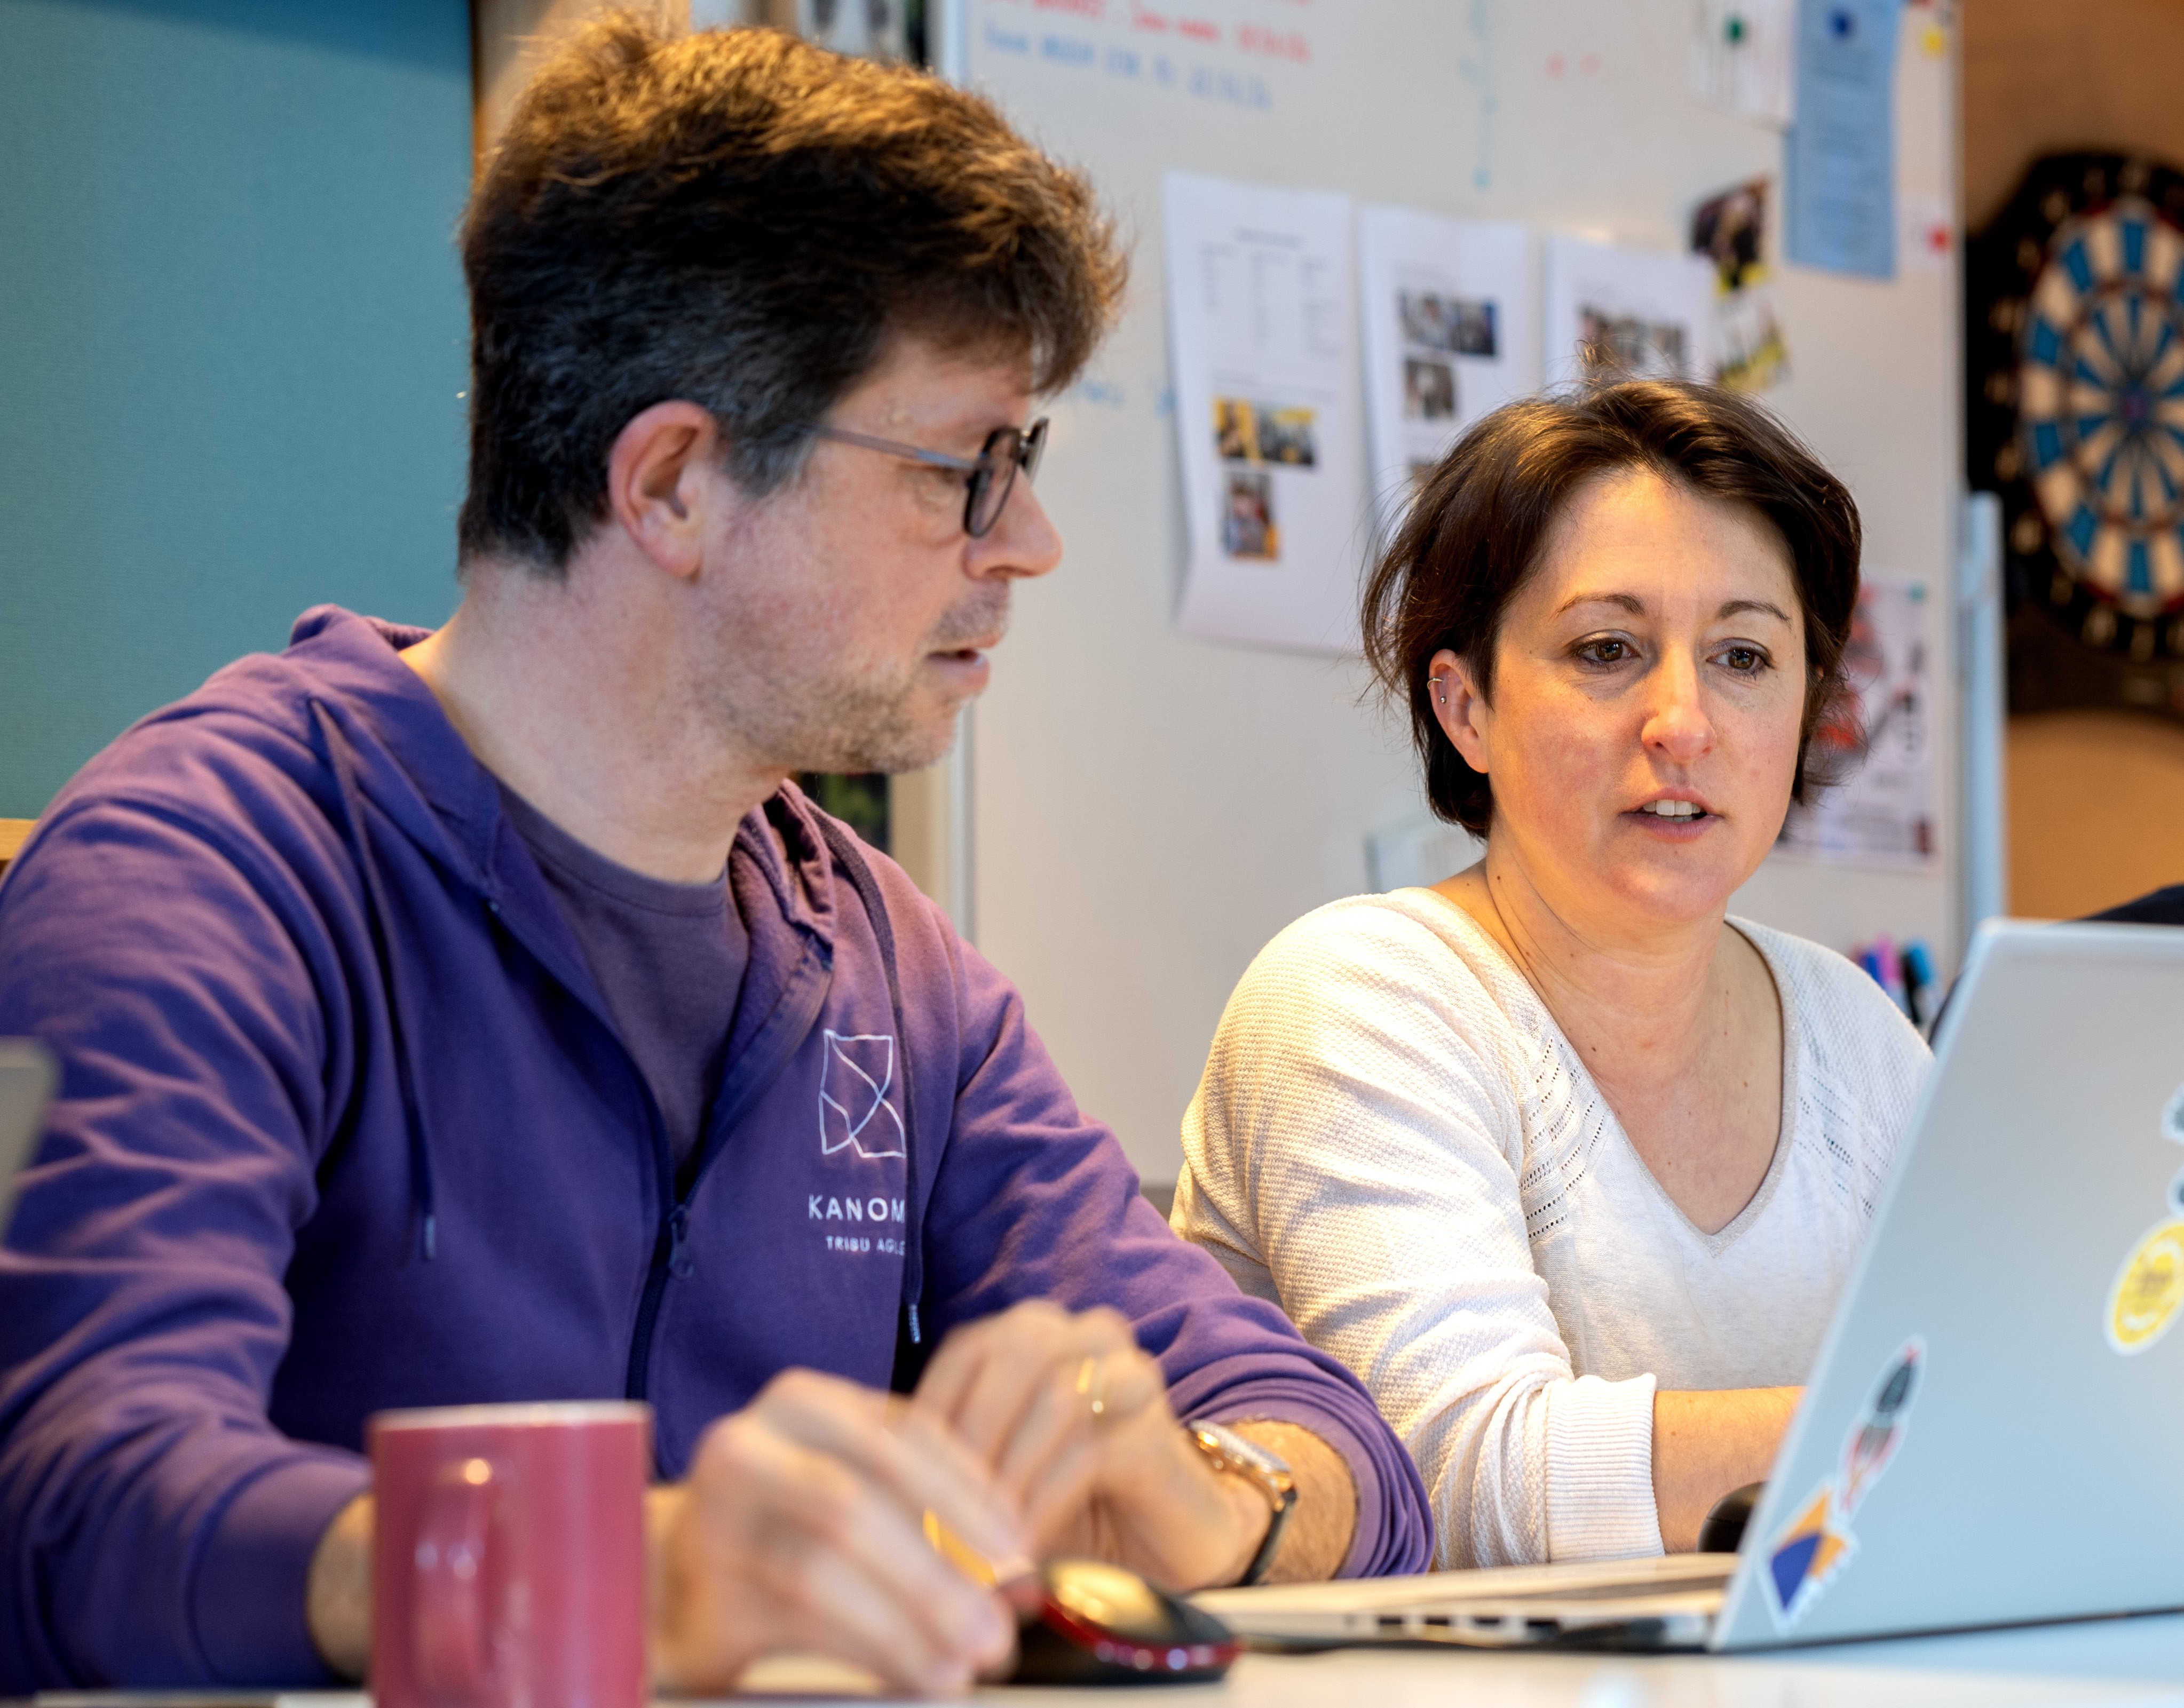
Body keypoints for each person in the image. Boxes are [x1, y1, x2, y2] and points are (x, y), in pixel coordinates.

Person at [0, 19, 1429, 1695]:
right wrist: (625, 1569)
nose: (1026, 544)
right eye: (967, 469)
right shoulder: (206, 874)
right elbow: (69, 1510)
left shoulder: (887, 963)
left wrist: (1211, 1496)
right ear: (674, 482)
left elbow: (1353, 1463)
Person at [1172, 380, 1929, 1569]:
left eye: (1744, 655)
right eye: (1608, 650)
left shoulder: (1858, 1032)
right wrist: (1915, 1438)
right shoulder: (1357, 992)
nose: (1684, 719)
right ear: (1466, 705)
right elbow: (1466, 1479)